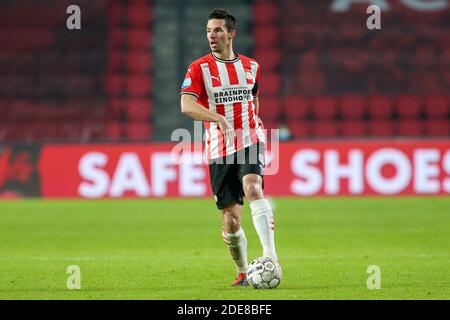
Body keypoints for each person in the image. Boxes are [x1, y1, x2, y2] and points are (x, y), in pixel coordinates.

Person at [180, 8, 280, 286]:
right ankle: (243, 270)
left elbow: (255, 100)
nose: (212, 36)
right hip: (218, 148)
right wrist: (217, 117)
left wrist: (251, 124)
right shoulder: (198, 68)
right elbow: (186, 105)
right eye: (209, 31)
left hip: (249, 139)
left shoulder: (251, 66)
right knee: (232, 219)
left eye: (218, 30)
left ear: (231, 34)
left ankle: (271, 258)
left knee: (253, 187)